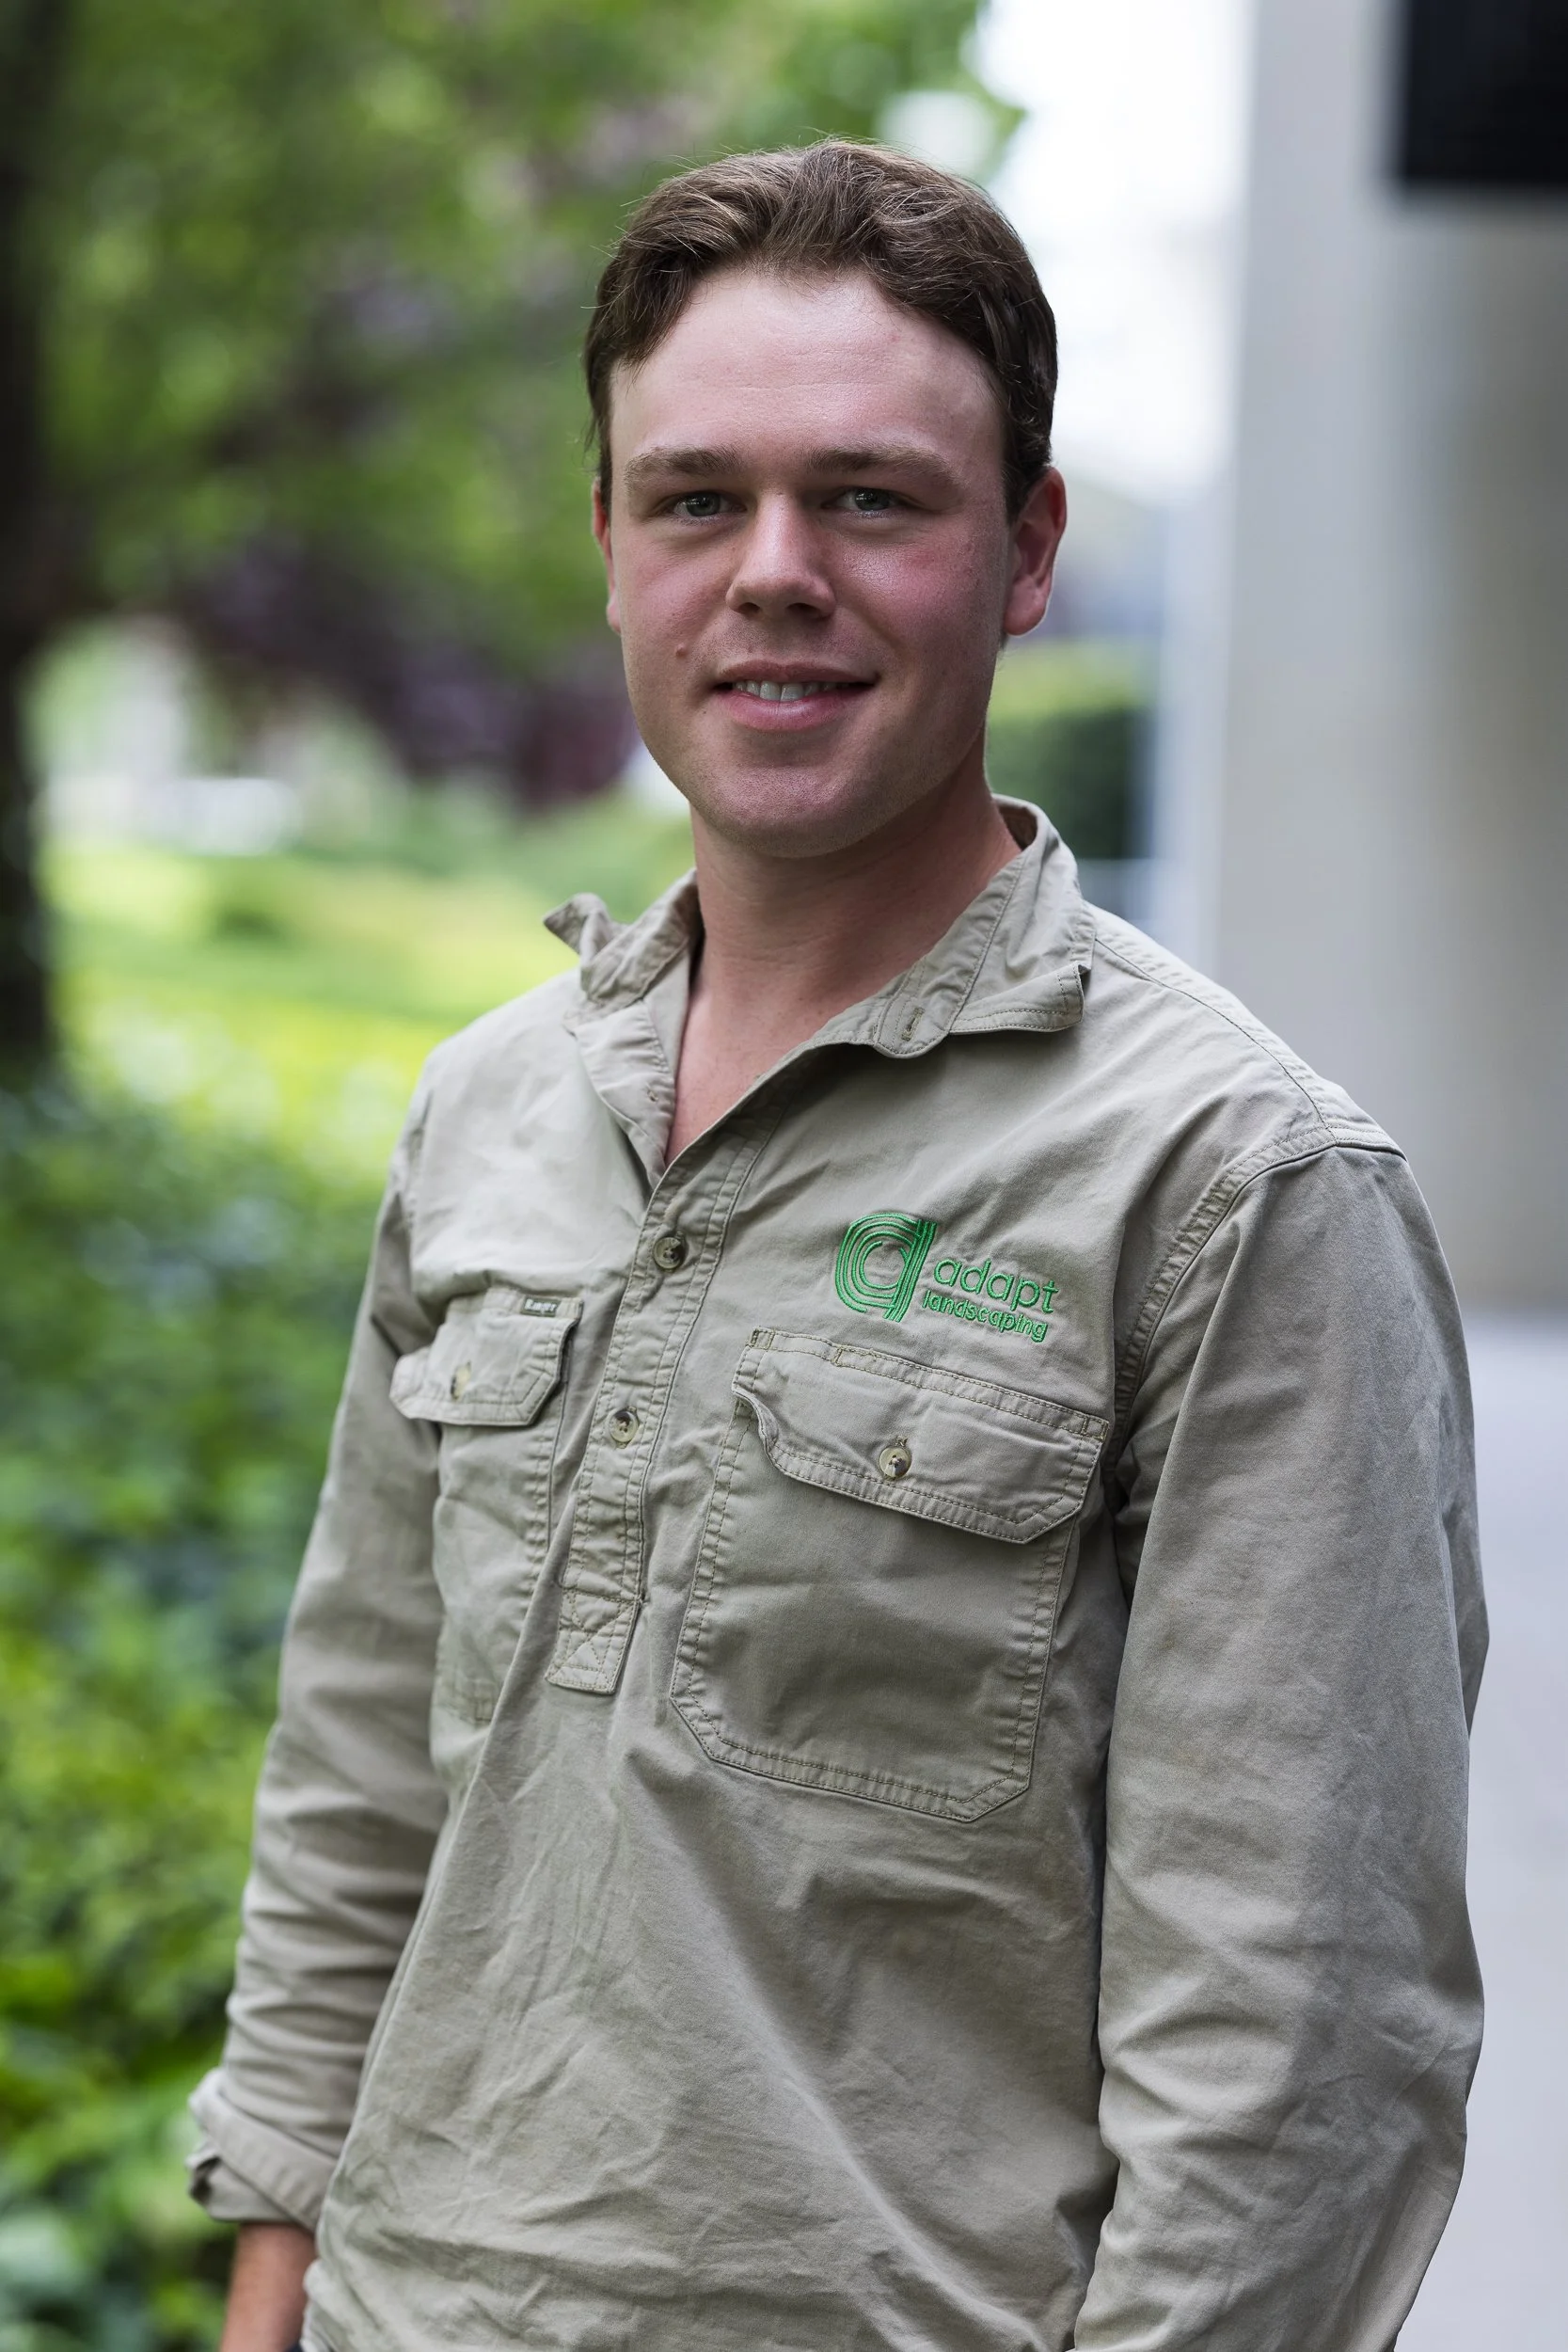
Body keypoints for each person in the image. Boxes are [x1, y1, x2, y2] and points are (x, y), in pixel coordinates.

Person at [193, 141, 1486, 2352]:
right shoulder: (490, 1109)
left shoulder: (1235, 1189)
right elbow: (357, 1788)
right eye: (696, 499)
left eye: (868, 500)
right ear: (608, 546)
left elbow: (1299, 2049)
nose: (770, 573)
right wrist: (273, 2277)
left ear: (1025, 552)